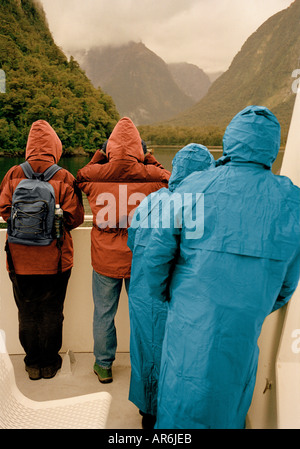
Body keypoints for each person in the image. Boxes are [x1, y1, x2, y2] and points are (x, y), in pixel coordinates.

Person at [143, 105, 300, 429]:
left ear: (230, 140)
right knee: (229, 406)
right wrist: (254, 307)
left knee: (179, 402)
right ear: (272, 146)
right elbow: (287, 284)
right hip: (243, 330)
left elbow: (157, 254)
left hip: (188, 319)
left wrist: (167, 295)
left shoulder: (195, 185)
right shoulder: (292, 201)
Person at [127, 143, 215, 429]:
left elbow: (132, 240)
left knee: (146, 352)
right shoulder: (203, 207)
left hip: (142, 294)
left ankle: (148, 414)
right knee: (178, 360)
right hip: (176, 299)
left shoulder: (151, 201)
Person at [76, 117, 170, 384]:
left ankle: (104, 365)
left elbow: (81, 175)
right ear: (138, 149)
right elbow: (169, 179)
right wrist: (148, 159)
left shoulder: (95, 176)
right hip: (138, 258)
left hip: (104, 258)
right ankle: (146, 366)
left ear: (111, 148)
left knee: (103, 312)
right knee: (143, 314)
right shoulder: (152, 177)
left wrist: (101, 157)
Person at [0, 120, 84, 380]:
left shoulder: (14, 173)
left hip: (19, 259)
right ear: (55, 147)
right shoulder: (64, 176)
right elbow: (75, 217)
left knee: (26, 311)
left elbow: (3, 210)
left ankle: (32, 364)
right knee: (51, 311)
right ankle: (49, 364)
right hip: (55, 259)